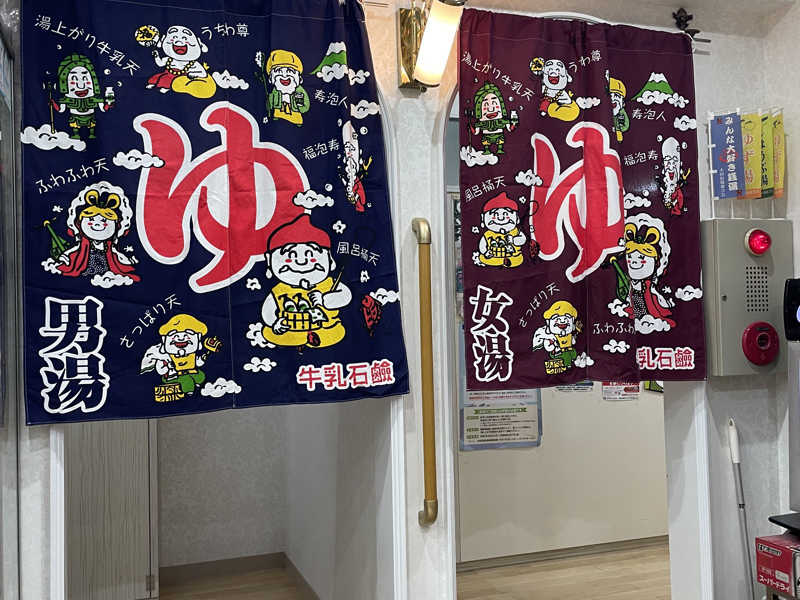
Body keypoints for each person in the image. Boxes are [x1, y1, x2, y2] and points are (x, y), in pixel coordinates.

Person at [261, 214, 351, 348]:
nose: (301, 262)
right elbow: (267, 309)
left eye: (312, 258)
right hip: (289, 332)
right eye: (290, 258)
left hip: (326, 330)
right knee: (271, 334)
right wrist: (275, 323)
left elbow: (345, 296)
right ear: (269, 260)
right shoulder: (278, 290)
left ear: (330, 260)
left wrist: (325, 300)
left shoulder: (329, 283)